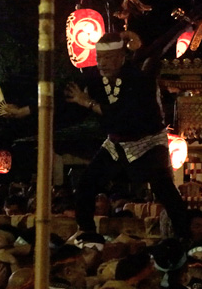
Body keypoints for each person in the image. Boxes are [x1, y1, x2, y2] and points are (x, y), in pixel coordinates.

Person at [64, 29, 190, 238]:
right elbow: (68, 105)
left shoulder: (138, 78)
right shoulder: (95, 81)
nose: (102, 63)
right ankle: (86, 232)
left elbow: (123, 114)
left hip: (148, 141)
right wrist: (26, 111)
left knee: (163, 188)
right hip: (116, 142)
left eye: (109, 58)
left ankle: (185, 237)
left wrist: (88, 102)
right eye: (99, 58)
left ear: (121, 58)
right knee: (86, 184)